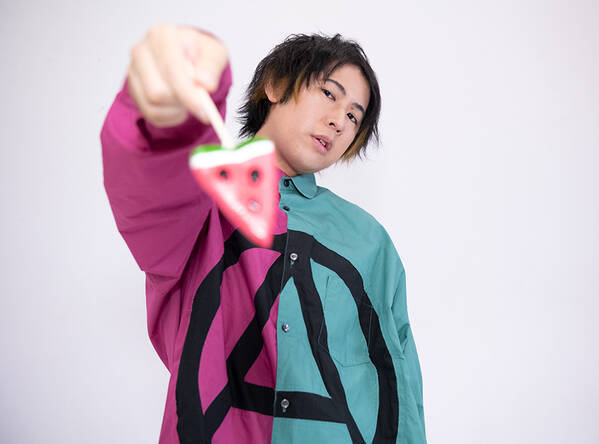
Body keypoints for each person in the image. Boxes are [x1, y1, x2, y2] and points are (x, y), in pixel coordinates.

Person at [101, 24, 426, 444]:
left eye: (353, 116)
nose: (338, 121)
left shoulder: (369, 241)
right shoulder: (200, 202)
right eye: (329, 93)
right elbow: (151, 181)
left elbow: (398, 381)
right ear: (274, 84)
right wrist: (169, 107)